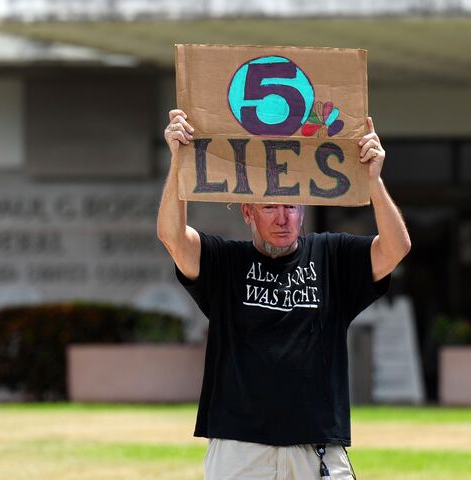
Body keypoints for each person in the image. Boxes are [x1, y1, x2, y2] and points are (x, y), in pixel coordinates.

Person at [157, 108, 411, 480]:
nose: (282, 218)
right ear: (248, 212)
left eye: (291, 205)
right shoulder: (225, 262)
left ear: (303, 209)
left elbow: (396, 248)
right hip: (241, 448)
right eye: (270, 206)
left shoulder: (332, 257)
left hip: (316, 445)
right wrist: (179, 160)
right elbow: (173, 237)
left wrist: (373, 179)